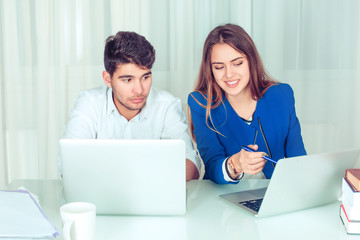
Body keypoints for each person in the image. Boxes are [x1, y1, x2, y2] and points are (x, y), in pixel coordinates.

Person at [62, 31, 200, 181]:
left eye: (145, 77)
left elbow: (190, 163)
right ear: (108, 79)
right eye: (127, 80)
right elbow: (68, 165)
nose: (139, 90)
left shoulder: (167, 105)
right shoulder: (89, 102)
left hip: (152, 198)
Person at [187, 24, 306, 184]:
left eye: (237, 63)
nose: (229, 74)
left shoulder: (281, 95)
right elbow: (212, 166)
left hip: (273, 195)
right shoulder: (201, 103)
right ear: (211, 70)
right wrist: (235, 164)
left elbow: (298, 160)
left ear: (251, 61)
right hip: (221, 199)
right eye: (219, 67)